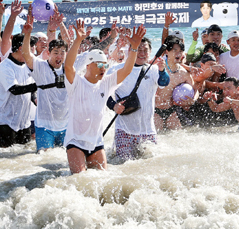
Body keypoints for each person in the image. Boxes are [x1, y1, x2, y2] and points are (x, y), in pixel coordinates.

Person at [63, 20, 145, 173]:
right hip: (76, 142)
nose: (104, 68)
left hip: (96, 142)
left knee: (103, 181)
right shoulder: (76, 83)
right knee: (80, 181)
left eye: (106, 65)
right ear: (88, 66)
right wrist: (78, 40)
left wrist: (133, 48)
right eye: (100, 65)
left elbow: (127, 70)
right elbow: (68, 66)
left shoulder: (106, 83)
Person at [109, 34, 169, 161]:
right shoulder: (117, 69)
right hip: (124, 130)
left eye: (145, 50)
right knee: (122, 165)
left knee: (152, 165)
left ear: (151, 52)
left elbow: (164, 83)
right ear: (131, 51)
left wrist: (162, 70)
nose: (142, 53)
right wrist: (114, 105)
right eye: (139, 49)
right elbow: (102, 93)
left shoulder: (154, 69)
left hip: (148, 130)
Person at [21, 10, 70, 151]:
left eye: (62, 53)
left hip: (66, 125)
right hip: (44, 126)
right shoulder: (40, 67)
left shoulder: (69, 68)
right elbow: (26, 54)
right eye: (55, 52)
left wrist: (61, 24)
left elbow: (69, 44)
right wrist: (27, 34)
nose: (59, 56)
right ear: (48, 53)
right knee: (44, 160)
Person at [155, 37, 196, 130]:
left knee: (178, 136)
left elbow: (195, 89)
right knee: (156, 137)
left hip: (171, 110)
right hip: (155, 110)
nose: (178, 53)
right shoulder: (157, 68)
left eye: (181, 51)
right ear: (166, 52)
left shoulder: (183, 73)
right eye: (175, 50)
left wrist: (193, 100)